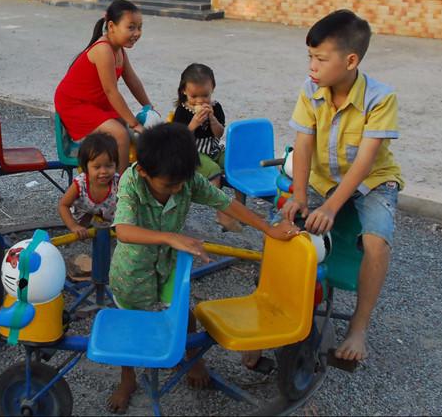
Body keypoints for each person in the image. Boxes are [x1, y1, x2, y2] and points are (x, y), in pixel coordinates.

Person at [107, 123, 300, 413]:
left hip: (169, 264)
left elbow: (225, 202)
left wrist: (267, 227)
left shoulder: (185, 179)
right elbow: (123, 230)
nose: (179, 189)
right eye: (170, 185)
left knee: (183, 313)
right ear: (144, 171)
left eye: (183, 182)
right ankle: (128, 378)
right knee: (131, 325)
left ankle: (193, 357)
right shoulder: (131, 182)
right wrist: (170, 237)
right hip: (132, 270)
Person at [280, 9, 403, 365]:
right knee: (286, 228)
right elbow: (302, 144)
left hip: (374, 182)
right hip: (322, 178)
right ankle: (282, 312)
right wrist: (300, 195)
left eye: (320, 58)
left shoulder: (381, 98)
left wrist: (331, 207)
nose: (312, 67)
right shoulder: (310, 91)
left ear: (350, 60)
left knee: (376, 243)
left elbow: (365, 163)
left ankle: (359, 327)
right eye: (310, 57)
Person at [54, 0, 153, 172]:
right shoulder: (103, 49)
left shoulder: (119, 49)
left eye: (140, 27)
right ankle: (122, 187)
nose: (137, 33)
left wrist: (149, 107)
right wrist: (134, 123)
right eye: (131, 27)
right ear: (112, 26)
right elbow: (111, 91)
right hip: (76, 104)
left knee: (127, 126)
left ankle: (128, 171)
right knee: (121, 134)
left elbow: (133, 81)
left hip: (95, 101)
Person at [170, 63, 241, 232]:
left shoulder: (215, 107)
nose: (200, 101)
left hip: (213, 148)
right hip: (191, 152)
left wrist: (212, 119)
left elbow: (218, 133)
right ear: (184, 91)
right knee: (213, 171)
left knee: (236, 162)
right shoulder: (182, 111)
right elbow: (178, 138)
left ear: (213, 89)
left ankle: (239, 207)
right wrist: (194, 123)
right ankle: (221, 214)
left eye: (205, 95)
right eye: (194, 96)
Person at [57, 132, 120, 239]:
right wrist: (74, 226)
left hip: (110, 219)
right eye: (97, 167)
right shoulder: (81, 183)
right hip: (83, 215)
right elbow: (63, 205)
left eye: (109, 166)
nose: (104, 171)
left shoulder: (118, 182)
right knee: (83, 230)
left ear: (116, 164)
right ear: (86, 167)